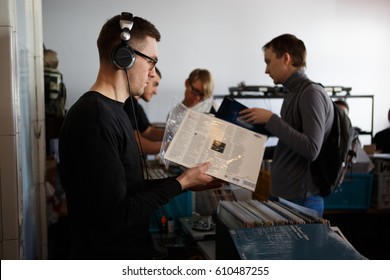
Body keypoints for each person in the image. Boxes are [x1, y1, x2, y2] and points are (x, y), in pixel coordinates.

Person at [58, 13, 221, 260]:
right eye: (151, 61)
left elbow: (130, 189)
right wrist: (181, 182)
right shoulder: (94, 118)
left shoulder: (116, 111)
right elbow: (117, 214)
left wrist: (186, 183)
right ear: (124, 58)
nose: (152, 73)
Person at [239, 34, 334, 217]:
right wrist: (254, 152)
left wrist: (271, 120)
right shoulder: (292, 93)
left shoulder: (311, 93)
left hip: (301, 200)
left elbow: (311, 148)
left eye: (268, 61)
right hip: (284, 196)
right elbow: (289, 145)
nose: (266, 70)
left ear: (286, 58)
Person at [124, 67, 164, 155]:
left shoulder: (136, 106)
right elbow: (135, 143)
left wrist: (174, 134)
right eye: (155, 84)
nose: (155, 92)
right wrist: (167, 147)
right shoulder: (126, 103)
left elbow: (148, 131)